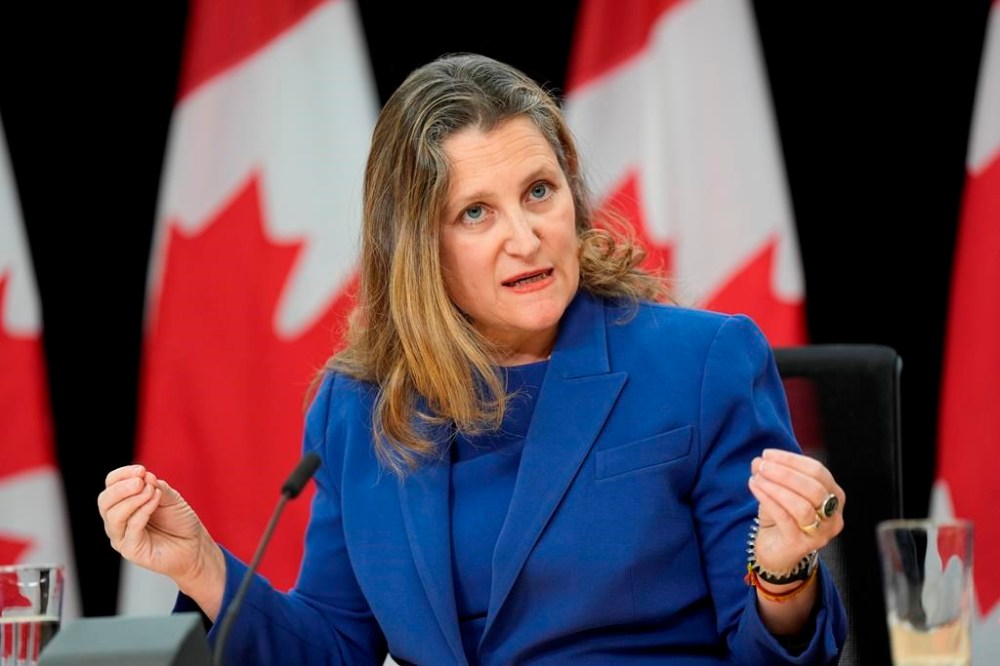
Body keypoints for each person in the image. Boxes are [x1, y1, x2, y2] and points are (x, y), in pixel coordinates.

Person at [98, 52, 848, 664]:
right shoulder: (358, 408)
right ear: (417, 248)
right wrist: (200, 565)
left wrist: (783, 570)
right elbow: (333, 647)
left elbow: (776, 655)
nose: (525, 237)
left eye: (539, 192)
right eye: (476, 212)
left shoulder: (699, 364)